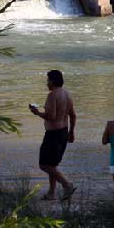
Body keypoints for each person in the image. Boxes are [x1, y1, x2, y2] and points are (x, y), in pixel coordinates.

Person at [29, 69, 76, 201]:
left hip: (53, 134)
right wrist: (72, 132)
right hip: (63, 132)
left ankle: (67, 184)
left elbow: (51, 117)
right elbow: (73, 115)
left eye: (48, 80)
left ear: (53, 81)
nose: (46, 83)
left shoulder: (52, 95)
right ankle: (51, 193)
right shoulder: (67, 94)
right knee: (52, 164)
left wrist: (36, 112)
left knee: (44, 165)